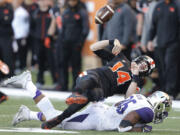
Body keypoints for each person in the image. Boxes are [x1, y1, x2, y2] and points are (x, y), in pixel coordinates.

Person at [3, 39, 156, 129]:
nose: (142, 67)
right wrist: (111, 41)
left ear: (145, 73)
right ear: (139, 59)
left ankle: (41, 107)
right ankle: (74, 98)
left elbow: (129, 97)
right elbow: (93, 47)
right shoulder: (122, 58)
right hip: (92, 77)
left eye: (145, 69)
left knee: (93, 95)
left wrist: (135, 76)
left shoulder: (136, 81)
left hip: (99, 95)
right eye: (143, 64)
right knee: (89, 84)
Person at [4, 70, 171, 132]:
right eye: (163, 108)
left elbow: (123, 104)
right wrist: (131, 128)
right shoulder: (148, 112)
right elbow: (129, 120)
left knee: (57, 116)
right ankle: (28, 83)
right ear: (157, 104)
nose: (162, 112)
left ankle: (28, 114)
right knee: (55, 118)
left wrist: (137, 126)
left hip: (102, 111)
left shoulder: (140, 97)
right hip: (97, 118)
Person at [147, 0, 180, 98]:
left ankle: (171, 91)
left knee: (171, 66)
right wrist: (150, 40)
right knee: (161, 67)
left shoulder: (177, 5)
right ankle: (164, 90)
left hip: (173, 43)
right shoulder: (158, 6)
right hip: (160, 43)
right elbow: (153, 25)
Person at [58, 0, 89, 91]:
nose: (72, 2)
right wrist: (62, 40)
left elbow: (85, 29)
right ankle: (63, 85)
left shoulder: (82, 12)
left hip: (76, 44)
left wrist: (80, 42)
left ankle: (76, 86)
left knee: (76, 66)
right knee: (63, 65)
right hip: (65, 43)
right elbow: (63, 28)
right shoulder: (66, 12)